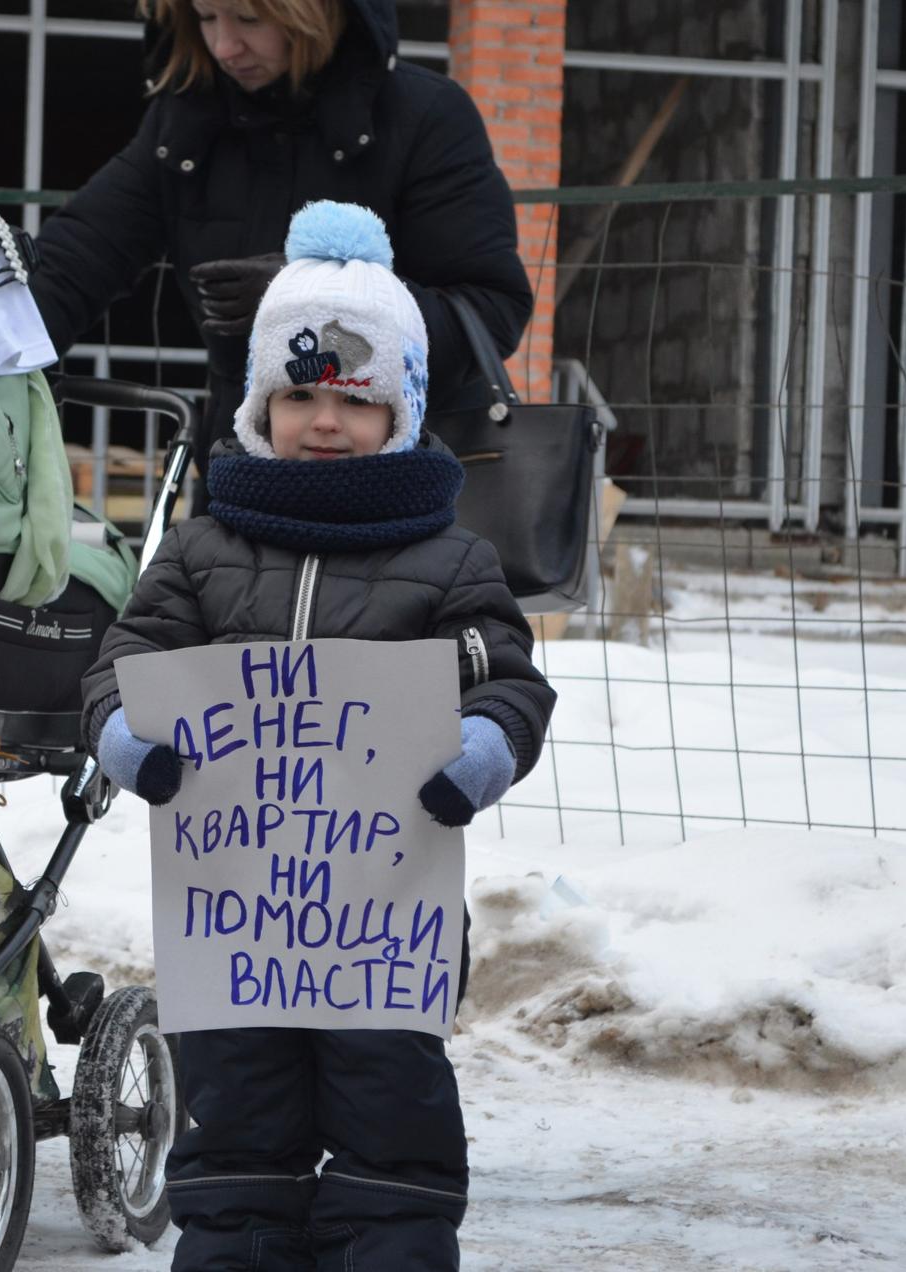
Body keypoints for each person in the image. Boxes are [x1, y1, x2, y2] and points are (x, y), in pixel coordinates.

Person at [80, 201, 555, 1271]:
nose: (324, 421)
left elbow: (510, 679)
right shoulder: (203, 551)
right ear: (258, 404)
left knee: (394, 1120)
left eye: (353, 397)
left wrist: (480, 747)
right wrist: (122, 736)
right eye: (297, 395)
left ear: (403, 411)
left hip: (384, 920)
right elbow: (121, 663)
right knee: (238, 1123)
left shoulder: (450, 561)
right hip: (237, 920)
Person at [28, 0, 532, 503]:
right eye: (206, 18)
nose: (225, 46)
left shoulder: (426, 117)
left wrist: (306, 302)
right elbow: (78, 259)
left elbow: (490, 310)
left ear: (317, 13)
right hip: (244, 489)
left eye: (249, 19)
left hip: (404, 497)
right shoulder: (185, 122)